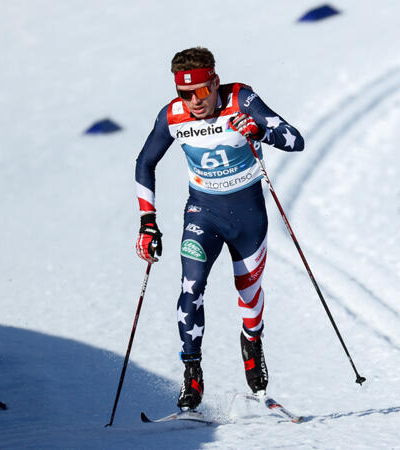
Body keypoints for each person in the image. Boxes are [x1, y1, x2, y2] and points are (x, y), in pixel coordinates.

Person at [134, 47, 304, 411]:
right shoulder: (172, 116)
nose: (194, 101)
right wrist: (148, 222)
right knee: (190, 288)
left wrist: (259, 129)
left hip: (248, 215)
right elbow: (144, 163)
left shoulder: (241, 98)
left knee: (249, 292)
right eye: (184, 94)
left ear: (214, 82)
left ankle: (251, 342)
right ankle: (192, 374)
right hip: (203, 213)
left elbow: (294, 139)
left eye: (201, 92)